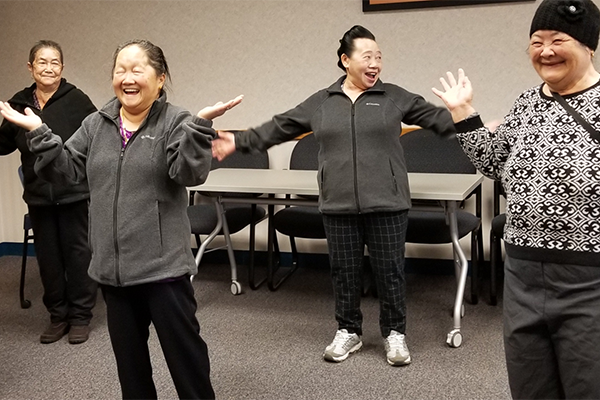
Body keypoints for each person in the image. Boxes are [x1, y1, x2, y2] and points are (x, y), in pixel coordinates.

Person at [0, 39, 242, 400]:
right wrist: (38, 133)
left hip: (163, 272)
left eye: (137, 69)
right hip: (114, 272)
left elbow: (188, 175)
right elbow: (65, 172)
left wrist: (199, 128)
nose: (127, 78)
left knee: (186, 364)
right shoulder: (96, 124)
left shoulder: (176, 121)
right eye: (119, 70)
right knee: (131, 371)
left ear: (160, 79)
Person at [213, 25, 455, 366]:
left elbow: (437, 118)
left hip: (387, 201)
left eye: (379, 56)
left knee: (390, 271)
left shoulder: (394, 97)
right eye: (367, 56)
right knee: (344, 271)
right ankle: (348, 330)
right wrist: (240, 141)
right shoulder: (322, 102)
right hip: (337, 202)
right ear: (345, 60)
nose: (375, 63)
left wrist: (470, 121)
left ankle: (395, 334)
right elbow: (280, 126)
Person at [432, 0, 600, 398]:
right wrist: (464, 113)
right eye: (536, 41)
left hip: (589, 278)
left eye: (559, 39)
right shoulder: (526, 103)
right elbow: (493, 164)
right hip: (522, 273)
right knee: (530, 387)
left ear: (589, 45)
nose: (545, 51)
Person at [0, 40, 97, 344]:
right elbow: (3, 145)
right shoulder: (18, 104)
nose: (49, 68)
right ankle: (58, 315)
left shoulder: (77, 100)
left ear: (62, 68)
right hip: (39, 196)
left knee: (78, 256)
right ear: (31, 67)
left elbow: (96, 139)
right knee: (50, 259)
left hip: (73, 193)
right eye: (42, 62)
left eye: (55, 62)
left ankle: (81, 316)